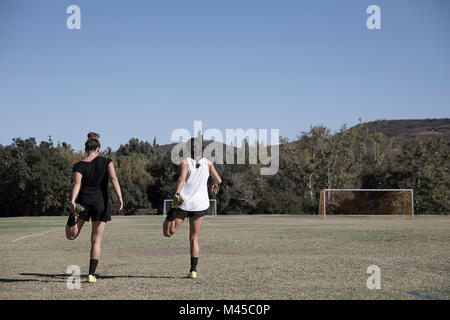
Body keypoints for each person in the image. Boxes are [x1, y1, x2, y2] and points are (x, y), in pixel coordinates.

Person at [66, 132, 123, 283]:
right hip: (101, 203)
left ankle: (73, 215)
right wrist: (120, 197)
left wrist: (72, 200)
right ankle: (91, 274)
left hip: (83, 203)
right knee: (96, 241)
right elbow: (114, 179)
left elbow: (76, 184)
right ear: (98, 149)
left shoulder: (79, 165)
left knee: (71, 236)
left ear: (86, 149)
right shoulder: (107, 162)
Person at [163, 137, 222, 279]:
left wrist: (176, 193)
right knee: (194, 239)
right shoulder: (208, 163)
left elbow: (181, 179)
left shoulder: (185, 162)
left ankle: (172, 209)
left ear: (189, 149)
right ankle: (193, 271)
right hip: (200, 205)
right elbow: (219, 180)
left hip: (184, 203)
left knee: (168, 233)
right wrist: (213, 183)